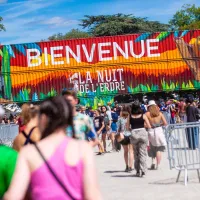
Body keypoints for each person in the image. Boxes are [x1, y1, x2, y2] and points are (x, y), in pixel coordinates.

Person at [4, 96, 101, 200]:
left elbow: (13, 196)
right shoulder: (83, 149)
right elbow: (92, 195)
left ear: (43, 119)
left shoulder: (29, 153)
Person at [128, 101, 151, 177]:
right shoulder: (143, 115)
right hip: (143, 133)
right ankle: (143, 170)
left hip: (134, 133)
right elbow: (149, 125)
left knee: (136, 153)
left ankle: (137, 170)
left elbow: (127, 127)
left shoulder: (130, 116)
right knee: (142, 152)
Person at [146, 100, 167, 170]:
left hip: (151, 130)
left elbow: (145, 124)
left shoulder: (147, 114)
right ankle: (158, 164)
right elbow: (165, 123)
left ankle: (153, 162)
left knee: (152, 148)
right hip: (159, 130)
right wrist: (159, 124)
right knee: (159, 149)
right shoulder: (160, 113)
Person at [116, 106, 134, 172]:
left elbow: (118, 128)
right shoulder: (131, 118)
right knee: (131, 151)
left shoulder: (120, 119)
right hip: (131, 135)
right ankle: (130, 166)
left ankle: (126, 166)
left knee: (125, 151)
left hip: (123, 135)